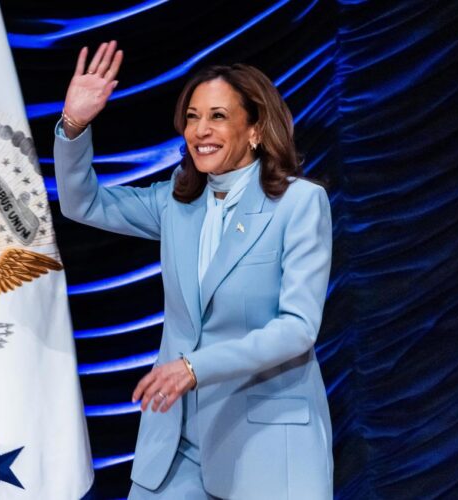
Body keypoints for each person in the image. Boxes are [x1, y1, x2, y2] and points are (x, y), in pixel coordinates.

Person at [54, 41, 333, 500]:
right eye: (191, 116)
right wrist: (74, 124)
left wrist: (193, 367)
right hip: (175, 444)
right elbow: (83, 202)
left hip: (262, 442)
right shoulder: (176, 204)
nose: (200, 129)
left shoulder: (299, 204)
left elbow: (297, 330)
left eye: (218, 116)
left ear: (256, 128)